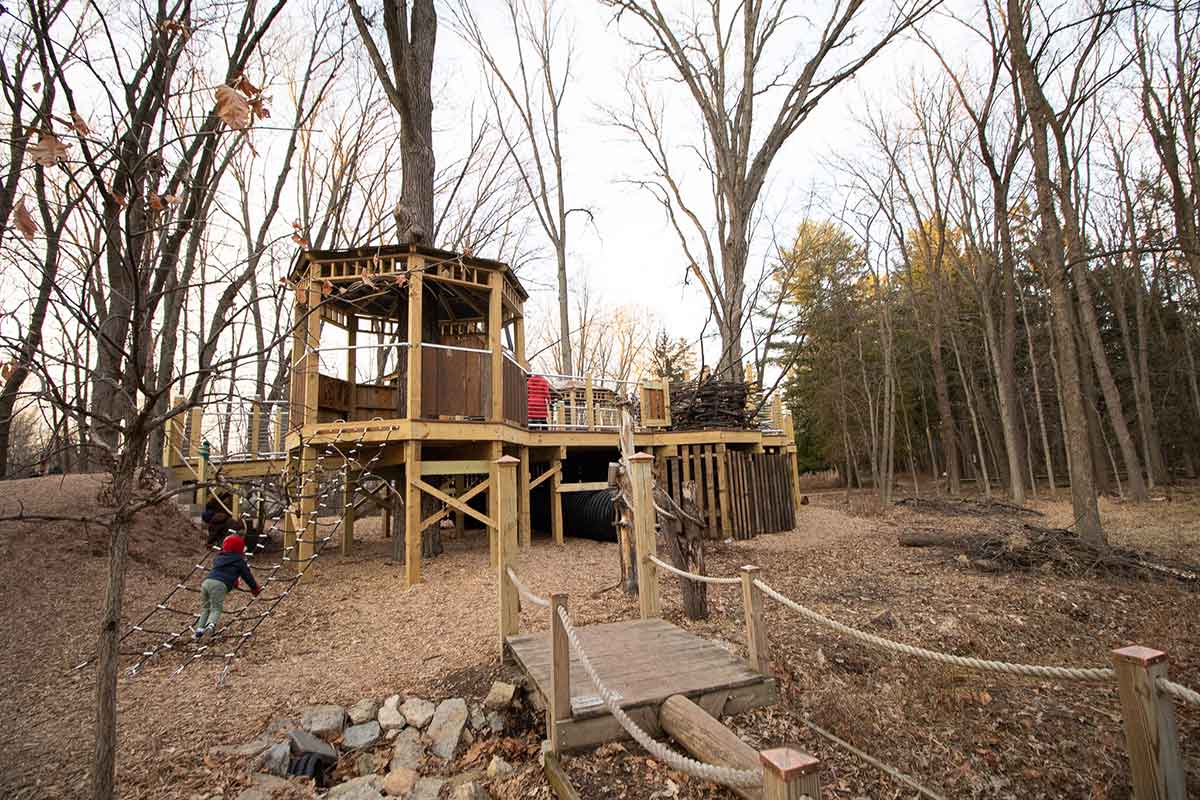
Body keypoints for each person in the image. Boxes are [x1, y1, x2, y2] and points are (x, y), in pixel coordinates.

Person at [194, 534, 261, 640]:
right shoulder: (239, 561)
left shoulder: (219, 558)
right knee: (216, 608)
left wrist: (233, 581)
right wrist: (255, 588)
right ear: (239, 549)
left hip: (206, 583)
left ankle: (199, 631)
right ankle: (210, 626)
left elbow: (225, 571)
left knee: (205, 608)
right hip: (218, 585)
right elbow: (247, 576)